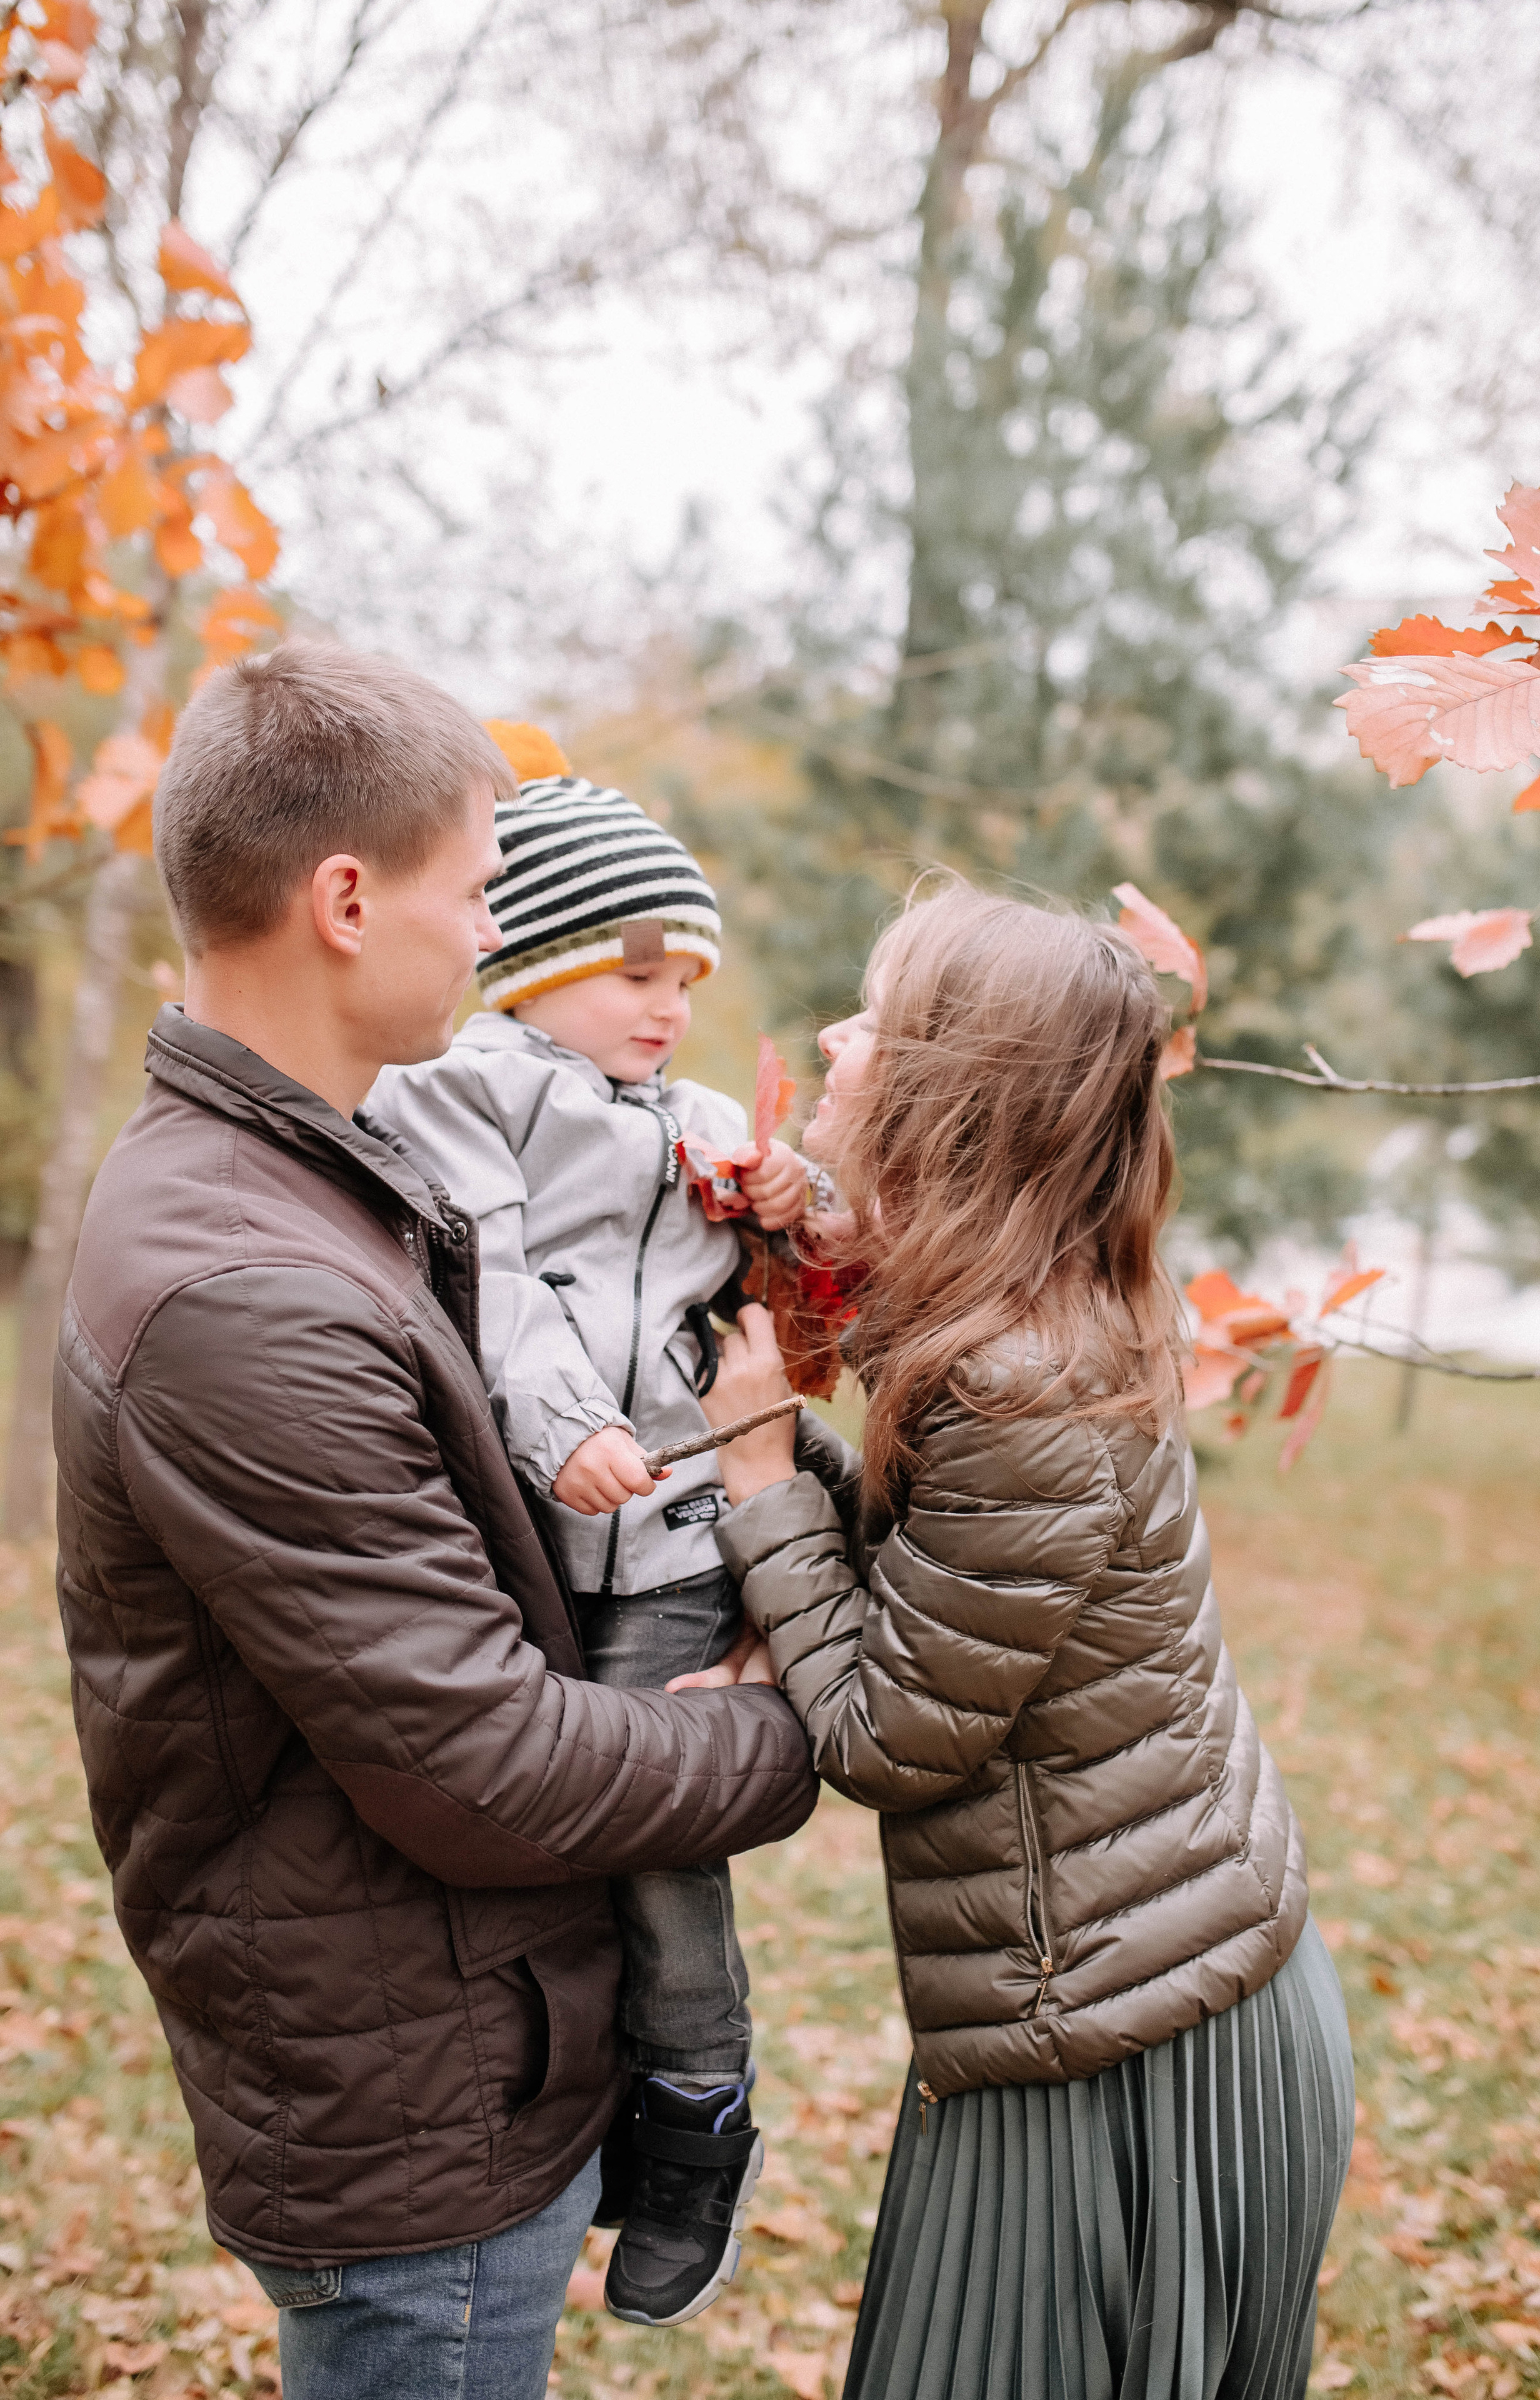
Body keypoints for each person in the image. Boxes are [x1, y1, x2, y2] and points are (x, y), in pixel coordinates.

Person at [51, 641, 817, 2400]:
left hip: (465, 2042)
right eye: (476, 892)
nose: (491, 935)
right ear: (345, 899)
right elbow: (483, 1766)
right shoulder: (246, 1284)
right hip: (416, 2120)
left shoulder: (318, 1169)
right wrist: (793, 1725)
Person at [679, 882, 1355, 2400]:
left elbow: (887, 1733)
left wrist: (753, 1471)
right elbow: (944, 1576)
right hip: (1165, 1974)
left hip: (1117, 2042)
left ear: (954, 1094)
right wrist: (819, 1282)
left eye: (881, 1021)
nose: (840, 1042)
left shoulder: (1014, 1381)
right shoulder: (1042, 1303)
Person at [370, 771, 809, 2328]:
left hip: (678, 1537)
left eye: (688, 977)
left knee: (656, 1850)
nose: (669, 1005)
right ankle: (597, 2100)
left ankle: (699, 2114)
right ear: (536, 960)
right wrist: (559, 1429)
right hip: (543, 1534)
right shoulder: (458, 1089)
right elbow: (492, 1280)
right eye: (637, 969)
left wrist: (784, 1195)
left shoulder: (694, 1119)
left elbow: (803, 1252)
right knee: (535, 1839)